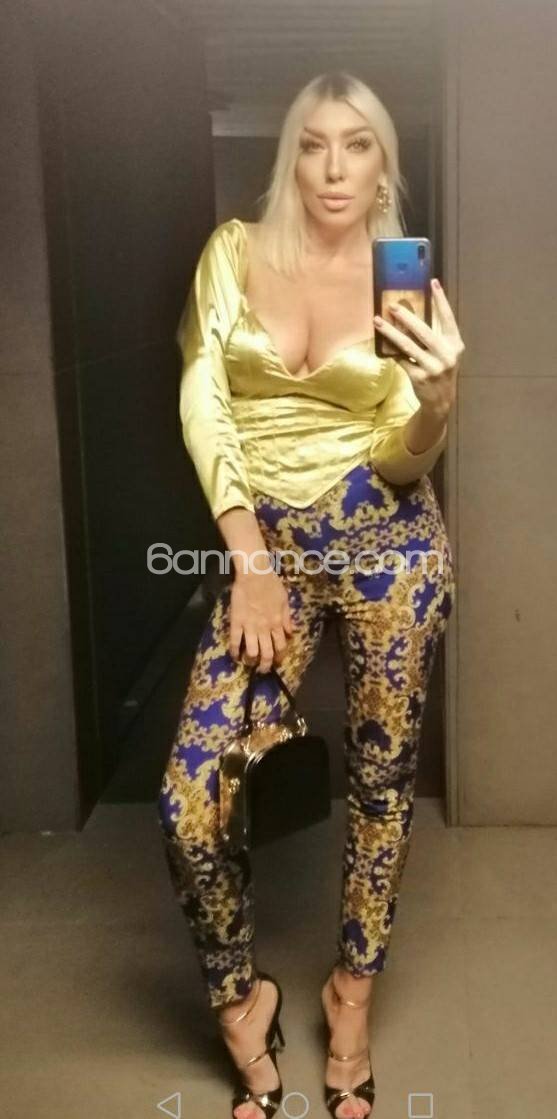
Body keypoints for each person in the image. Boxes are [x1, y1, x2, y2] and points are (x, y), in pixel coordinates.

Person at [157, 70, 463, 1119]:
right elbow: (205, 396)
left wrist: (437, 408)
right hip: (269, 553)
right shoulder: (234, 252)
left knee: (381, 783)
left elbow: (399, 456)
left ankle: (351, 998)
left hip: (388, 543)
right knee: (192, 800)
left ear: (383, 163)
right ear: (291, 153)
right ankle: (241, 999)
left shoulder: (398, 279)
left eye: (357, 145)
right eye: (315, 143)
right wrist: (248, 557)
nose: (334, 168)